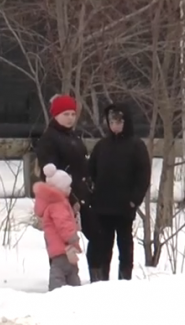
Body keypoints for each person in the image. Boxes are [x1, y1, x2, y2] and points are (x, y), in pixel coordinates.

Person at [34, 94, 99, 280]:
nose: (70, 117)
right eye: (66, 114)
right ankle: (61, 281)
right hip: (61, 199)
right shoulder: (49, 139)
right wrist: (69, 199)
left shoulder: (72, 135)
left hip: (81, 194)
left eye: (73, 113)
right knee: (61, 241)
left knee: (94, 236)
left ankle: (95, 277)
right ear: (55, 115)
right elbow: (50, 174)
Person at [87, 103, 151, 281]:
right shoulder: (102, 146)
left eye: (118, 121)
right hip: (102, 206)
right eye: (111, 121)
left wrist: (134, 200)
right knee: (103, 245)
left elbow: (143, 175)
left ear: (126, 122)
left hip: (124, 207)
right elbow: (90, 170)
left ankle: (124, 279)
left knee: (125, 245)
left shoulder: (136, 146)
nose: (115, 125)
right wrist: (91, 194)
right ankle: (101, 279)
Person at [35, 165, 82, 290]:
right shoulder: (58, 204)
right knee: (63, 271)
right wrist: (72, 237)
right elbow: (63, 224)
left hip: (58, 247)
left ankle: (69, 291)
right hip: (64, 246)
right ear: (59, 189)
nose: (70, 189)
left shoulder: (55, 202)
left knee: (65, 270)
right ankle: (60, 293)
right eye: (67, 186)